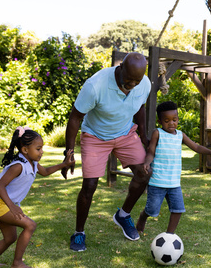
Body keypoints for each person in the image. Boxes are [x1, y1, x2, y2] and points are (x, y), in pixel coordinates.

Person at [62, 52, 152, 252]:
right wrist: (69, 151)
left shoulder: (143, 83)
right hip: (95, 136)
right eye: (128, 80)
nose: (132, 85)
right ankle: (79, 233)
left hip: (125, 134)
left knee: (144, 173)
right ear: (120, 68)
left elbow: (140, 106)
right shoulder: (96, 85)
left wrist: (144, 135)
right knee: (90, 185)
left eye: (137, 81)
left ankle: (123, 215)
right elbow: (75, 117)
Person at [0, 126, 74, 268]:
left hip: (5, 204)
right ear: (25, 150)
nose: (41, 152)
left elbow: (45, 172)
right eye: (38, 149)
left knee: (10, 238)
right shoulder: (18, 166)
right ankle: (17, 263)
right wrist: (12, 206)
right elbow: (0, 186)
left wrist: (64, 164)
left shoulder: (33, 163)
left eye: (41, 148)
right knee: (30, 225)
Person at [136, 101, 211, 234]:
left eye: (174, 120)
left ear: (177, 119)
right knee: (152, 210)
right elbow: (151, 152)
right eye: (167, 120)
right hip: (157, 181)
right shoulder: (157, 133)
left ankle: (169, 235)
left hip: (174, 183)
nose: (171, 123)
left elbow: (196, 147)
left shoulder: (180, 135)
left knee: (178, 209)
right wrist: (147, 163)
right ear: (160, 121)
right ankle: (143, 216)